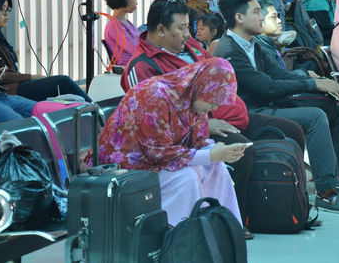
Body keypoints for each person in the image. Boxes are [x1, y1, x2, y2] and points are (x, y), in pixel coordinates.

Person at [120, 0, 304, 238]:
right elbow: (154, 121)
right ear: (162, 30)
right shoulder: (141, 67)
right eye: (182, 28)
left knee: (292, 131)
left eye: (189, 27)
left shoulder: (194, 48)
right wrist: (205, 125)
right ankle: (235, 220)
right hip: (192, 134)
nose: (188, 34)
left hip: (233, 115)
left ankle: (290, 206)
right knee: (241, 151)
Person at [215, 0, 339, 214]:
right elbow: (266, 87)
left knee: (335, 108)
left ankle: (338, 179)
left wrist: (313, 80)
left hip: (271, 103)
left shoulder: (253, 43)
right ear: (239, 18)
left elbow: (279, 74)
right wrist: (312, 84)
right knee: (315, 117)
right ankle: (326, 193)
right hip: (252, 112)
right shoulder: (229, 50)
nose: (261, 16)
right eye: (256, 12)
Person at [254, 0, 339, 194]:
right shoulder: (254, 47)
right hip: (275, 104)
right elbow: (271, 84)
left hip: (292, 95)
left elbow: (279, 77)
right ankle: (338, 182)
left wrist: (308, 78)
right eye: (274, 17)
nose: (281, 21)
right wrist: (311, 81)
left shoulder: (268, 45)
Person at [98, 58, 247, 226]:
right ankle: (182, 234)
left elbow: (196, 141)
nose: (214, 108)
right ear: (202, 87)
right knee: (188, 177)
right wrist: (211, 154)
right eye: (212, 101)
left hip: (159, 160)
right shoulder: (155, 95)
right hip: (128, 167)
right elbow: (155, 152)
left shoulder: (192, 98)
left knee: (216, 166)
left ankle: (223, 227)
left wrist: (216, 150)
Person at [0, 0, 91, 102]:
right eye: (2, 10)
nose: (7, 15)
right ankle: (101, 116)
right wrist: (31, 77)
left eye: (8, 10)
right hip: (4, 92)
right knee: (62, 82)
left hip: (11, 87)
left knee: (62, 93)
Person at [103, 0, 141, 65]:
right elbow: (135, 49)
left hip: (138, 65)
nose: (136, 3)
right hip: (131, 69)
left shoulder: (126, 22)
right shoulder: (114, 26)